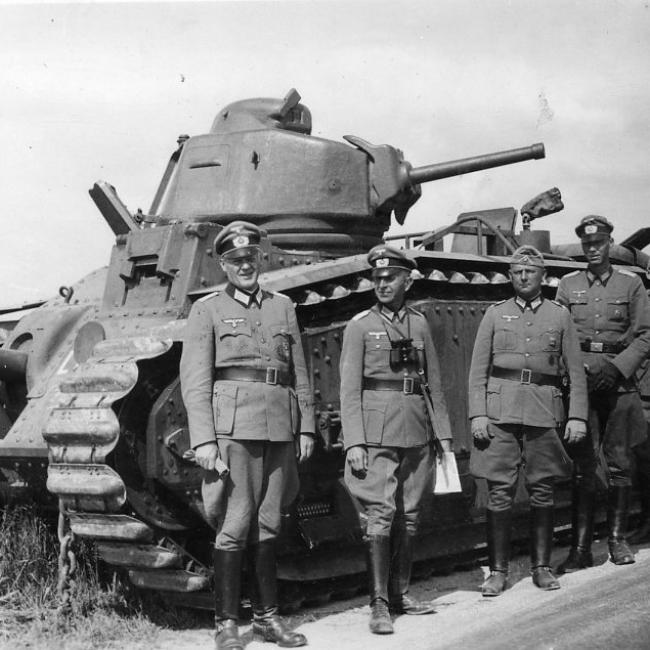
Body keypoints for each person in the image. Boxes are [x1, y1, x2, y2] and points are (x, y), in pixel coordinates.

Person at [180, 221, 315, 650]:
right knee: (234, 525)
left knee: (270, 523)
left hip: (279, 426)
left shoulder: (283, 307)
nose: (245, 266)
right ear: (223, 265)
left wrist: (306, 425)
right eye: (236, 261)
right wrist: (203, 439)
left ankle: (267, 620)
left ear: (261, 259)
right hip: (234, 429)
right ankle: (226, 624)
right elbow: (195, 381)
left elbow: (301, 374)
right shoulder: (208, 309)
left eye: (251, 258)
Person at [340, 245, 453, 635]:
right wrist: (354, 441)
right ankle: (378, 604)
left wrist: (444, 436)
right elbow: (348, 390)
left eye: (390, 278)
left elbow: (433, 383)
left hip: (417, 429)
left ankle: (401, 593)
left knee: (410, 514)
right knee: (379, 515)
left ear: (408, 280)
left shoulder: (419, 324)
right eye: (377, 278)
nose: (383, 284)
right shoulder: (359, 326)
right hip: (376, 432)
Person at [468, 245, 588, 596]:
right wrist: (478, 413)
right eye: (518, 272)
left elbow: (575, 373)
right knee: (499, 490)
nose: (523, 277)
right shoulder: (494, 314)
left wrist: (577, 415)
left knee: (542, 488)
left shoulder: (559, 315)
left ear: (542, 277)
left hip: (543, 409)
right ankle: (497, 572)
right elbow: (477, 371)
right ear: (510, 276)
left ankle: (542, 567)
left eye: (530, 272)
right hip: (500, 411)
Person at [555, 216, 650, 570]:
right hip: (582, 385)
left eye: (599, 244)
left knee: (621, 463)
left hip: (620, 384)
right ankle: (580, 548)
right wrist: (579, 372)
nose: (593, 250)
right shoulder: (567, 285)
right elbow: (561, 336)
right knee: (583, 467)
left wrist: (616, 368)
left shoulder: (631, 286)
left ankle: (617, 540)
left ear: (610, 244)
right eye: (587, 245)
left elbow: (645, 334)